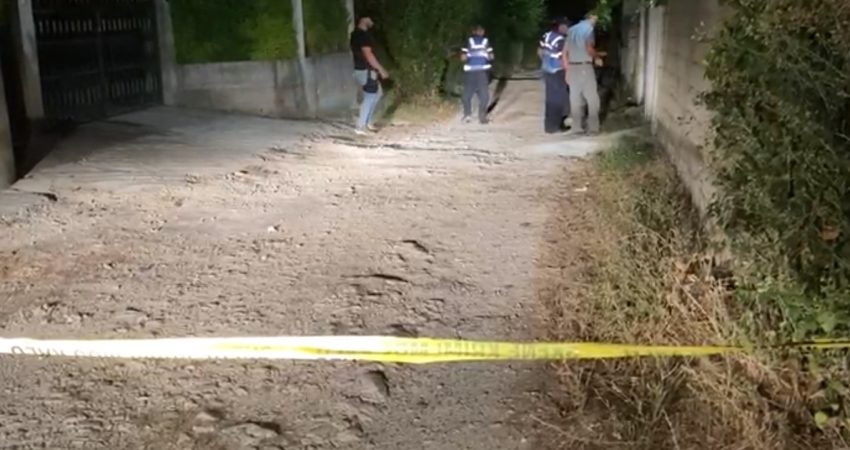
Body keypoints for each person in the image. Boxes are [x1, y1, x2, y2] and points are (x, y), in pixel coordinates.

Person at [350, 15, 389, 135]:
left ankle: (367, 122)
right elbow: (368, 55)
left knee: (377, 93)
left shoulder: (355, 34)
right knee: (370, 96)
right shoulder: (363, 36)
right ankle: (361, 126)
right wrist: (381, 69)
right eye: (370, 19)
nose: (372, 22)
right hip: (366, 70)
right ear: (363, 19)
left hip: (360, 69)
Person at [564, 13, 602, 135]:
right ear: (590, 18)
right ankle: (593, 128)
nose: (595, 22)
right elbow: (589, 48)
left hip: (572, 67)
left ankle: (576, 127)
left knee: (575, 98)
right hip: (584, 66)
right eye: (595, 19)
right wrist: (597, 57)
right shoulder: (588, 29)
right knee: (592, 98)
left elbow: (565, 52)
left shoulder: (571, 30)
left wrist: (567, 69)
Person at [539, 18, 571, 134]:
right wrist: (568, 71)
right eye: (566, 27)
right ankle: (558, 125)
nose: (568, 29)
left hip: (547, 70)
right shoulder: (561, 40)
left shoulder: (546, 35)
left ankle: (549, 126)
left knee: (550, 98)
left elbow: (540, 51)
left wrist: (545, 62)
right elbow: (562, 58)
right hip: (557, 71)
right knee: (560, 99)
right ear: (561, 27)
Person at [460, 25, 494, 124]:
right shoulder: (486, 41)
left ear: (473, 32)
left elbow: (463, 57)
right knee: (484, 96)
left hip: (470, 72)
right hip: (482, 72)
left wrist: (470, 58)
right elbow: (491, 56)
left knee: (466, 95)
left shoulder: (468, 41)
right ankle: (482, 116)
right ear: (483, 32)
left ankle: (467, 115)